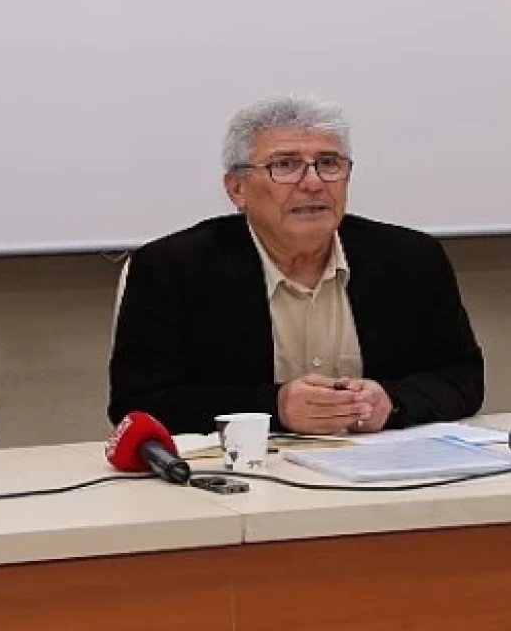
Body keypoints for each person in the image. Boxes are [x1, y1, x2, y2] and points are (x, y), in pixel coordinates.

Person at [108, 94, 484, 435]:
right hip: (241, 476)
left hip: (384, 471)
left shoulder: (410, 258)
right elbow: (138, 404)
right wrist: (276, 407)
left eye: (329, 163)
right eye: (285, 165)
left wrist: (392, 402)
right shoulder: (173, 268)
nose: (313, 183)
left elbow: (462, 378)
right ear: (237, 189)